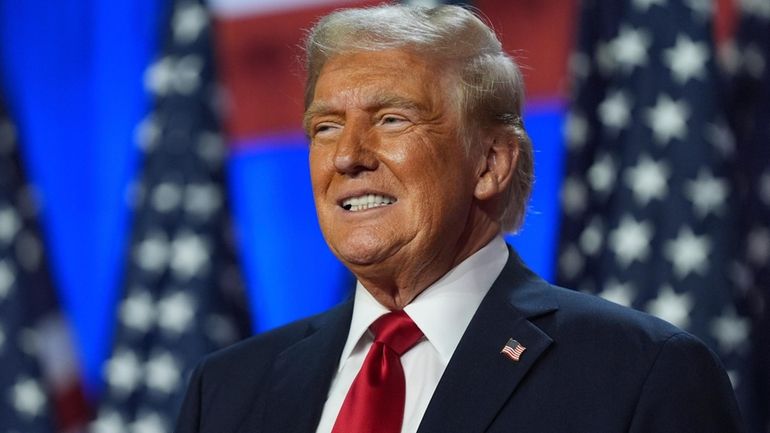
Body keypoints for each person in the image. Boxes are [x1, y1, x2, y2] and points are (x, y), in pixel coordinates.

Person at [174, 5, 745, 433]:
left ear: (491, 162)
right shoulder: (226, 391)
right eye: (325, 127)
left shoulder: (640, 374)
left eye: (392, 120)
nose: (347, 156)